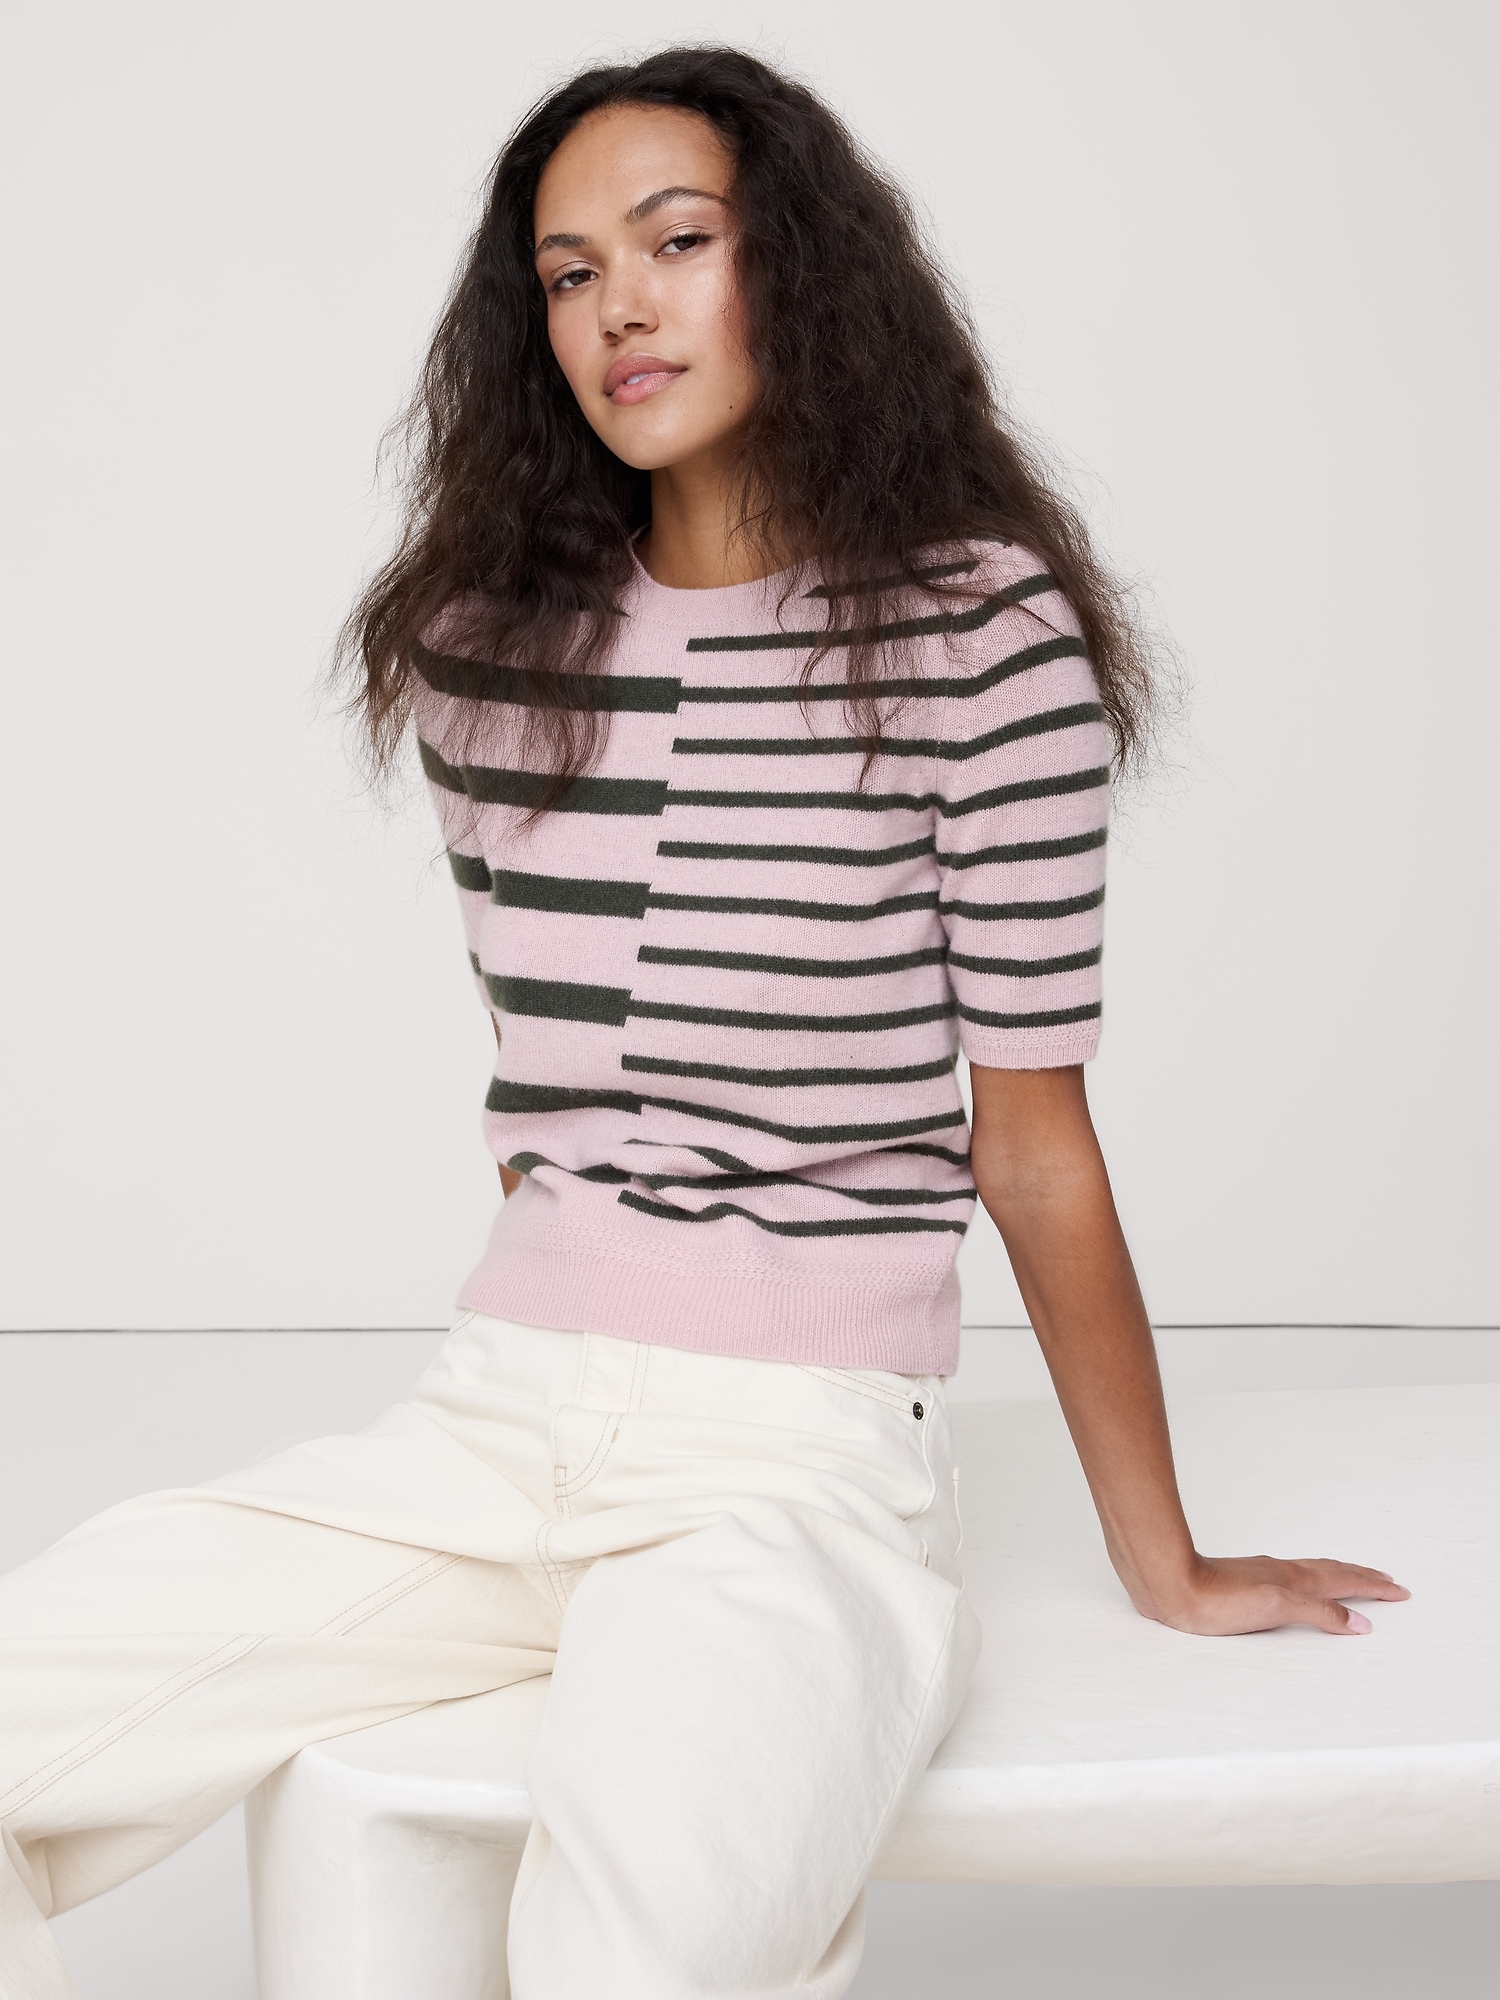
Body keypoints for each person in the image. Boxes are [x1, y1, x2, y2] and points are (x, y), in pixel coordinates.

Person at [0, 45, 1407, 2000]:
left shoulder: (969, 632)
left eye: (677, 242)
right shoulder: (488, 647)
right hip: (496, 1418)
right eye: (569, 273)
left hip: (793, 1459)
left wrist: (1159, 1556)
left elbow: (1029, 1147)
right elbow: (544, 1082)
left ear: (798, 268)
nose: (620, 309)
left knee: (638, 1966)